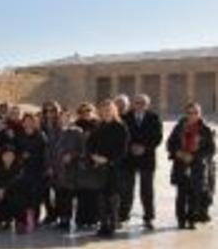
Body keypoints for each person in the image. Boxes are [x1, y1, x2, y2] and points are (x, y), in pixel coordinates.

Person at [167, 102, 216, 229]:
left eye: (195, 113)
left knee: (195, 193)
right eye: (190, 113)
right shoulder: (179, 127)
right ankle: (181, 220)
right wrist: (178, 152)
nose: (192, 115)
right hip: (181, 164)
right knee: (181, 195)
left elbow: (211, 149)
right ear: (186, 113)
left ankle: (192, 219)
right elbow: (170, 144)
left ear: (200, 114)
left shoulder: (205, 129)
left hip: (197, 166)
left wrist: (194, 156)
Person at [87, 99, 129, 237]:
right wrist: (93, 157)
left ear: (114, 110)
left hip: (114, 167)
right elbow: (90, 144)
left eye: (108, 109)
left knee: (112, 197)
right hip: (99, 167)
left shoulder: (120, 127)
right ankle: (103, 223)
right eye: (103, 110)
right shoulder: (98, 126)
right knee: (100, 197)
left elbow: (122, 149)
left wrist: (108, 160)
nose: (106, 112)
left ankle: (112, 223)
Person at [121, 94, 163, 229]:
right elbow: (122, 136)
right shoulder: (125, 117)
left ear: (147, 105)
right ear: (133, 104)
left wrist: (144, 147)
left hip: (147, 158)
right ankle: (124, 215)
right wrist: (131, 146)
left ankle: (148, 217)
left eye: (142, 103)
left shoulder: (154, 117)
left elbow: (158, 137)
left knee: (147, 190)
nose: (139, 105)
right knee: (127, 189)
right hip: (129, 158)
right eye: (137, 102)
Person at [49, 108, 85, 230]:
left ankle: (67, 219)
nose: (63, 119)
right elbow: (48, 150)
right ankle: (61, 218)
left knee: (68, 196)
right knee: (58, 195)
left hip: (70, 169)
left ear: (71, 118)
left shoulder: (77, 132)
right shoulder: (53, 131)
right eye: (61, 117)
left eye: (66, 117)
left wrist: (72, 155)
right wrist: (49, 165)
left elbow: (82, 150)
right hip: (56, 168)